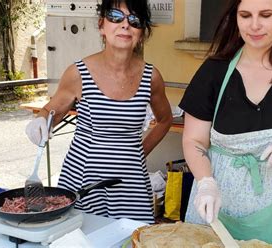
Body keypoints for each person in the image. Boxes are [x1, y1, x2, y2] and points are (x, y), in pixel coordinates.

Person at [179, 0, 272, 247]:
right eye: (245, 15)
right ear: (235, 17)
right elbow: (194, 139)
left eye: (265, 14)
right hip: (219, 202)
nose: (255, 25)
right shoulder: (213, 72)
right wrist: (206, 183)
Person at [25, 0, 172, 224]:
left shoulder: (152, 77)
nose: (125, 25)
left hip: (130, 183)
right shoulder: (78, 73)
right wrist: (40, 121)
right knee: (80, 236)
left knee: (131, 237)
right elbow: (50, 111)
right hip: (83, 179)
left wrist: (138, 153)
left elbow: (165, 120)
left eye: (134, 20)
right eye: (116, 16)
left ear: (142, 33)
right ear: (101, 25)